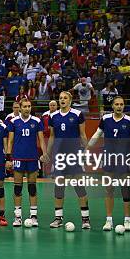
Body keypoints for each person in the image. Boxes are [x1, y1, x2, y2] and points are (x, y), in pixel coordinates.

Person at [88, 96, 130, 232]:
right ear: (112, 106)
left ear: (124, 106)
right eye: (116, 104)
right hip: (109, 158)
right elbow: (97, 134)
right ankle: (108, 220)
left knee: (125, 189)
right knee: (109, 189)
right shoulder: (105, 119)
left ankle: (127, 221)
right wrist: (87, 148)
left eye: (121, 104)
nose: (119, 106)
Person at [46, 91, 90, 229]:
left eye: (65, 98)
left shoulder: (77, 115)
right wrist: (47, 153)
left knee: (79, 186)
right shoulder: (53, 116)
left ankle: (85, 219)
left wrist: (87, 149)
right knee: (59, 187)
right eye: (60, 98)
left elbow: (82, 134)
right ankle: (58, 218)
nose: (62, 100)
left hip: (74, 155)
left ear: (70, 100)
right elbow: (52, 136)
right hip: (59, 156)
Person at [6, 99, 46, 227]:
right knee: (18, 188)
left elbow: (41, 139)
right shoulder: (13, 122)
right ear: (20, 108)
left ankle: (33, 216)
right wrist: (8, 158)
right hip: (18, 158)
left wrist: (44, 154)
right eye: (25, 107)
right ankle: (18, 216)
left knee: (32, 188)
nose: (27, 109)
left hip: (32, 158)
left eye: (29, 106)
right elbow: (10, 141)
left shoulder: (37, 121)